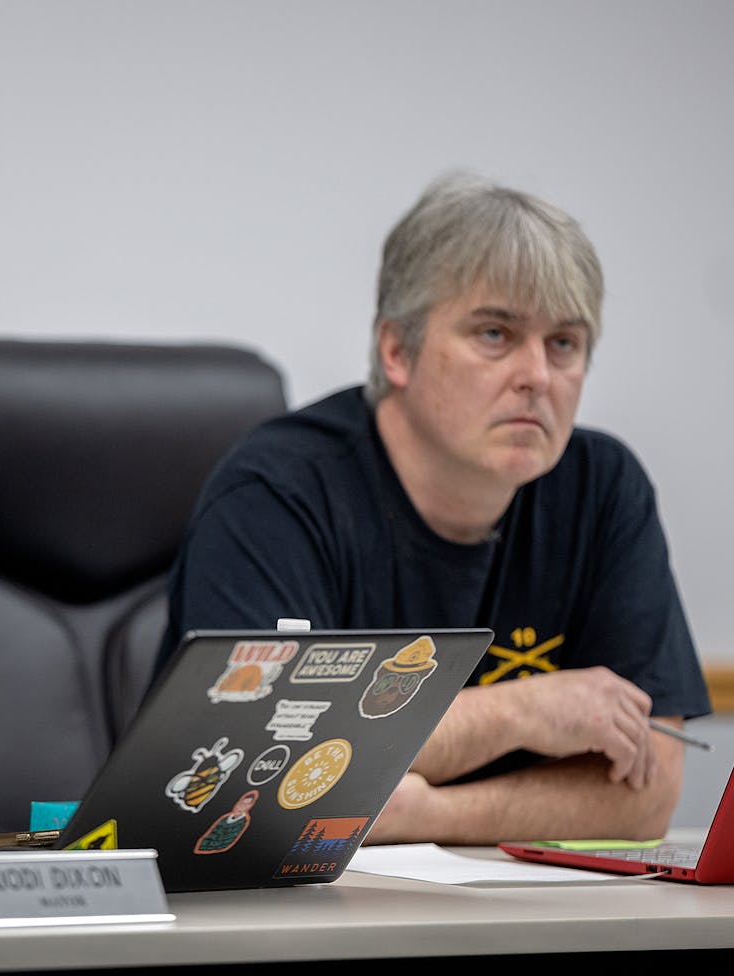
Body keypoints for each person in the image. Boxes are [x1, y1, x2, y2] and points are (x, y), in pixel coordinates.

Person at [157, 171, 710, 844]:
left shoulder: (603, 490)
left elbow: (649, 794)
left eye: (563, 343)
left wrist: (430, 816)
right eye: (495, 334)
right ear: (398, 351)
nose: (537, 374)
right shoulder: (277, 493)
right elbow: (255, 770)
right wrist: (519, 712)